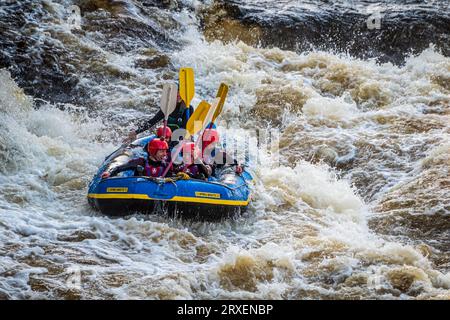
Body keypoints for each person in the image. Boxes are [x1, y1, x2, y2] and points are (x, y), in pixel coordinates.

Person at [124, 92, 194, 144]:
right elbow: (153, 121)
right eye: (176, 92)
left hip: (179, 140)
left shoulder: (188, 109)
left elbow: (185, 129)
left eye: (180, 92)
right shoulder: (166, 107)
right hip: (164, 137)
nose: (178, 95)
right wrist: (136, 132)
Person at [101, 138, 172, 179]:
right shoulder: (140, 162)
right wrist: (109, 173)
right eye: (162, 151)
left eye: (165, 151)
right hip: (139, 192)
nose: (165, 154)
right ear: (153, 151)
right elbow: (120, 168)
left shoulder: (166, 166)